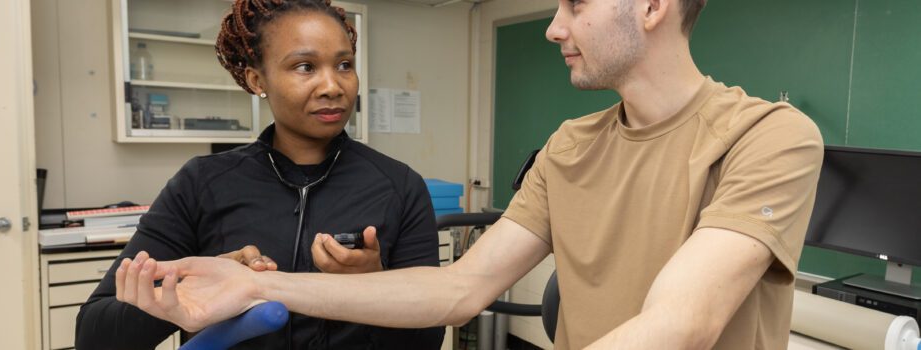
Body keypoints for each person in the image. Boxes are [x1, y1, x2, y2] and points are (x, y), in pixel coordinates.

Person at [117, 0, 825, 348]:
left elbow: (681, 323)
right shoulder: (571, 146)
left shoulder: (768, 136)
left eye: (575, 3)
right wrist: (258, 283)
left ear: (649, 6)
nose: (554, 27)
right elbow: (460, 288)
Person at [75, 0, 444, 349]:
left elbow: (428, 339)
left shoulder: (400, 186)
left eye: (344, 65)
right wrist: (185, 291)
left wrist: (374, 283)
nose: (333, 86)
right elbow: (95, 334)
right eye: (305, 67)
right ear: (257, 80)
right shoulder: (202, 183)